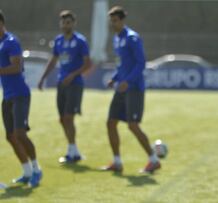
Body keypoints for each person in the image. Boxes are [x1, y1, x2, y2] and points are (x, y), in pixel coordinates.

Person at [100, 6, 160, 173]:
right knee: (111, 123)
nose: (112, 24)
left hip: (134, 88)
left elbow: (141, 63)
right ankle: (117, 162)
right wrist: (115, 78)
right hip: (121, 88)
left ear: (122, 20)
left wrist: (128, 80)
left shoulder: (132, 38)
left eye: (115, 20)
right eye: (111, 21)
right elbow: (122, 65)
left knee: (133, 125)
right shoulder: (116, 39)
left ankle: (153, 160)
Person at [38, 10, 91, 163]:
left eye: (68, 22)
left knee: (68, 117)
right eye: (63, 22)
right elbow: (53, 61)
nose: (65, 25)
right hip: (62, 84)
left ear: (74, 24)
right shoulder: (59, 40)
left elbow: (88, 64)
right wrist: (43, 78)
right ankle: (73, 150)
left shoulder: (80, 41)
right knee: (62, 119)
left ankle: (72, 151)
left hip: (75, 84)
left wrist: (73, 75)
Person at [0, 10, 42, 187]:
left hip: (20, 94)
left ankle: (36, 169)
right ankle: (26, 172)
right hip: (7, 96)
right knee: (10, 136)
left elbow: (16, 68)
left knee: (20, 134)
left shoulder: (11, 42)